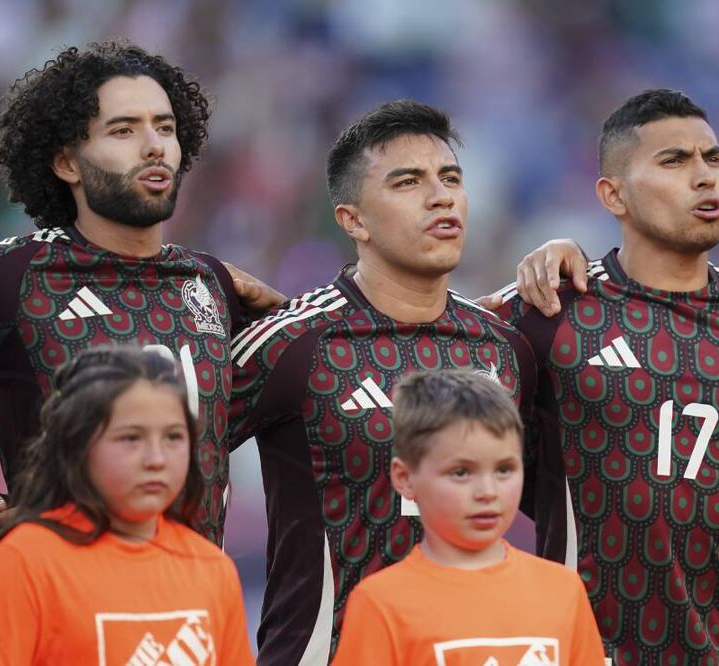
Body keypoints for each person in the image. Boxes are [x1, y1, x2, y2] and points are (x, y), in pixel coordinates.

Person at [490, 89, 719, 664]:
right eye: (674, 161)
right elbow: (421, 339)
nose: (705, 178)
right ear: (612, 194)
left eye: (713, 160)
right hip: (575, 651)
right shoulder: (550, 313)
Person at [227, 100, 537, 665]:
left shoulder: (503, 346)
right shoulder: (294, 342)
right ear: (353, 220)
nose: (441, 196)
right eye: (408, 182)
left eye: (450, 178)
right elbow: (171, 442)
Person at [0, 40, 282, 546]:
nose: (154, 145)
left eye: (165, 127)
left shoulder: (212, 284)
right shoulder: (11, 275)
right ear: (66, 163)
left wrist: (292, 318)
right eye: (124, 130)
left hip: (195, 600)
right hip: (64, 603)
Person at [0, 346, 254, 665]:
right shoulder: (24, 563)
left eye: (174, 437)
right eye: (131, 438)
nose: (156, 459)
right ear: (78, 446)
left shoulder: (212, 568)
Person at [331, 370, 603, 665]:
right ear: (405, 478)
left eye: (504, 469)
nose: (487, 492)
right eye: (461, 472)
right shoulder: (380, 604)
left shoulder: (562, 590)